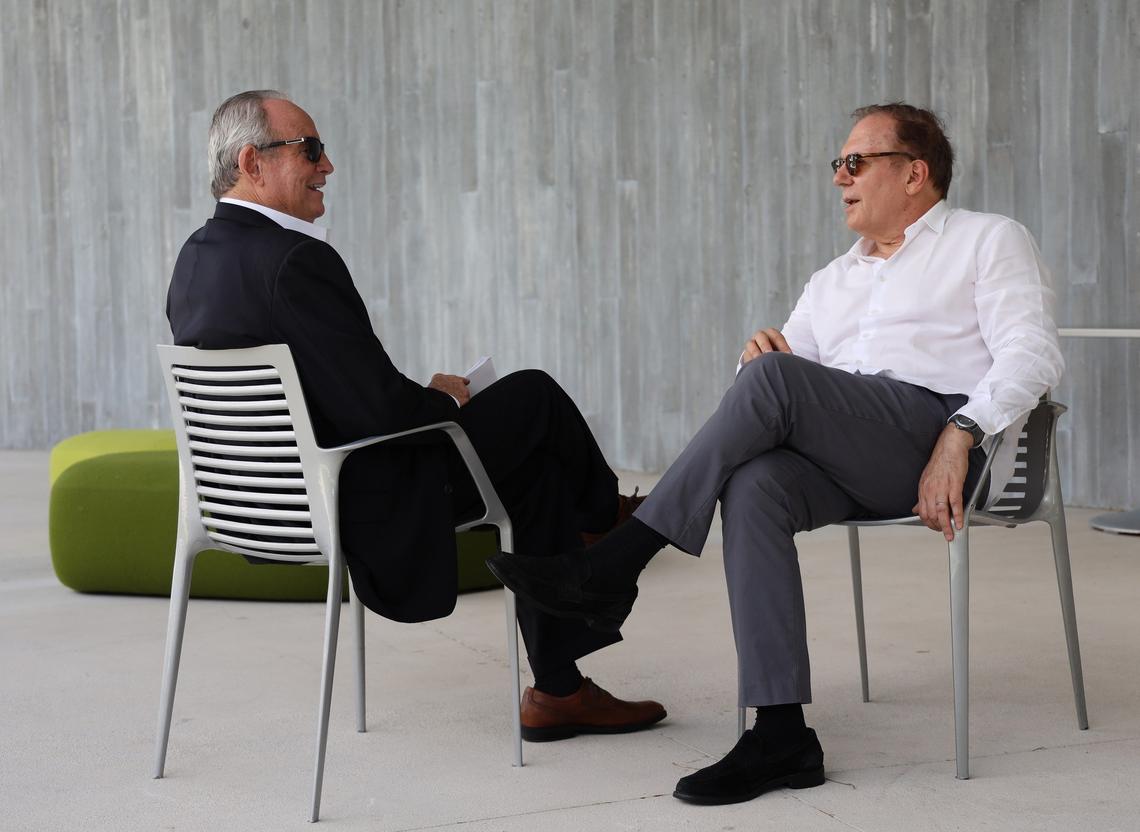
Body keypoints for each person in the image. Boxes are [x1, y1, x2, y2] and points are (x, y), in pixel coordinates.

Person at [488, 102, 1064, 802]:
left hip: (941, 439)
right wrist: (752, 361)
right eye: (837, 164)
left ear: (914, 174)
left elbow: (1033, 353)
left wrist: (962, 431)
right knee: (755, 482)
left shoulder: (987, 239)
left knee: (775, 381)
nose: (839, 177)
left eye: (856, 162)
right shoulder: (832, 280)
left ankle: (618, 559)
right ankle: (781, 732)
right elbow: (767, 399)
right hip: (854, 458)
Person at [167, 90, 666, 742]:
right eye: (311, 149)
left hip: (254, 506)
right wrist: (445, 398)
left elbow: (338, 395)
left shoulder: (195, 259)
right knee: (532, 398)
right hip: (359, 499)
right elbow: (378, 410)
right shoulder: (295, 261)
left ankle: (560, 689)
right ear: (251, 163)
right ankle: (603, 523)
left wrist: (424, 397)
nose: (327, 165)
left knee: (535, 470)